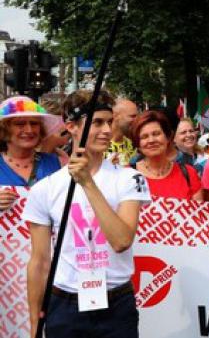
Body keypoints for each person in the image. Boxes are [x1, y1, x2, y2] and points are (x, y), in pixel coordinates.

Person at [24, 90, 151, 337]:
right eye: (97, 122)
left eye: (109, 121)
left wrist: (87, 184)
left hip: (116, 303)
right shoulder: (45, 189)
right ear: (71, 126)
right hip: (65, 304)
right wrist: (33, 320)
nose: (106, 130)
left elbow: (122, 240)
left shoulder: (129, 179)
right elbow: (39, 261)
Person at [0, 96, 63, 212]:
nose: (29, 130)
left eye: (34, 124)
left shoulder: (58, 163)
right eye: (20, 124)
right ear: (4, 129)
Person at [131, 111, 202, 200]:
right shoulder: (128, 175)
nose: (151, 140)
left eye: (156, 134)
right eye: (144, 137)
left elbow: (197, 212)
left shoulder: (189, 173)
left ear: (168, 137)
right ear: (138, 144)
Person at [105, 98, 138, 166]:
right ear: (115, 116)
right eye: (132, 116)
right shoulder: (100, 145)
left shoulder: (132, 144)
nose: (137, 120)